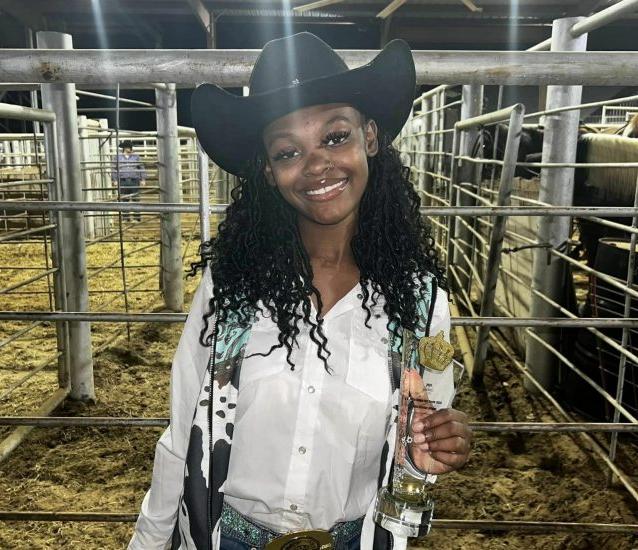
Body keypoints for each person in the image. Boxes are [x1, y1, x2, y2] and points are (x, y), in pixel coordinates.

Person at [129, 32, 472, 550]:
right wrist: (148, 543)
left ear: (370, 138)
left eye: (335, 137)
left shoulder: (420, 303)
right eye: (289, 151)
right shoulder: (231, 289)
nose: (316, 165)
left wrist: (441, 445)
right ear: (269, 171)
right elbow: (182, 438)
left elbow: (421, 441)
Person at [111, 140, 146, 221]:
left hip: (134, 180)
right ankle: (125, 218)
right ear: (124, 148)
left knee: (136, 199)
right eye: (128, 147)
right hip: (122, 180)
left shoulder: (136, 157)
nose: (130, 148)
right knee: (124, 200)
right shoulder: (117, 157)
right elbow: (114, 169)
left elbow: (141, 167)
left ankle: (137, 218)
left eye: (130, 147)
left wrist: (143, 179)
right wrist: (115, 179)